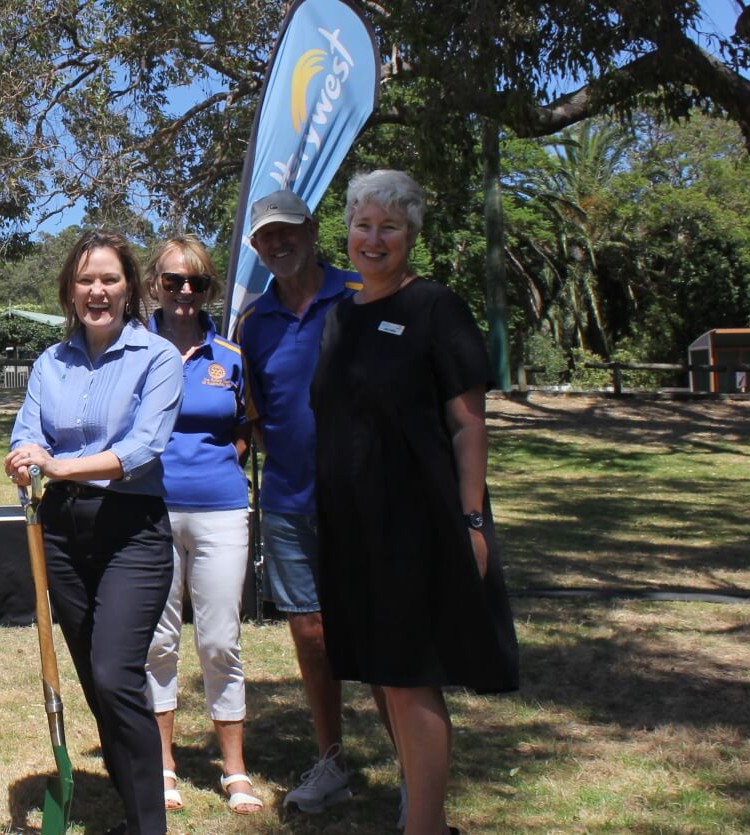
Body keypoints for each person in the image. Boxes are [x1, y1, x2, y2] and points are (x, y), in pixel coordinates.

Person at [311, 170, 521, 835]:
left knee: (408, 674)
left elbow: (468, 424)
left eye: (389, 227)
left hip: (417, 521)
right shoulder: (340, 316)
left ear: (411, 235)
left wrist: (472, 519)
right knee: (381, 670)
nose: (373, 239)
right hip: (351, 522)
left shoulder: (435, 307)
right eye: (363, 225)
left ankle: (424, 826)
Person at [6, 231, 183, 835]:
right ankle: (135, 813)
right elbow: (25, 432)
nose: (97, 291)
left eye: (108, 279)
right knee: (95, 681)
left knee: (115, 674)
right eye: (85, 280)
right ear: (69, 291)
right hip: (59, 533)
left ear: (130, 286)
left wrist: (58, 465)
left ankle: (149, 824)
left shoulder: (156, 357)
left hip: (130, 530)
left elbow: (142, 449)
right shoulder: (49, 363)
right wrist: (24, 456)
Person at [230, 189, 366, 814]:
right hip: (288, 499)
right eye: (266, 237)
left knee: (378, 627)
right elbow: (252, 412)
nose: (278, 243)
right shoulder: (252, 324)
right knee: (310, 633)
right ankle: (332, 758)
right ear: (256, 248)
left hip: (365, 497)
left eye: (287, 230)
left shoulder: (361, 294)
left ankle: (415, 776)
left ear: (312, 230)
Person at [139, 235, 260, 816]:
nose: (185, 292)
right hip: (148, 510)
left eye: (197, 282)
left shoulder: (231, 355)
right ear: (153, 286)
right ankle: (162, 762)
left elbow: (248, 425)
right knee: (158, 639)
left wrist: (221, 462)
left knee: (219, 640)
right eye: (172, 281)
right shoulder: (133, 350)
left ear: (208, 288)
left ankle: (233, 768)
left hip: (220, 510)